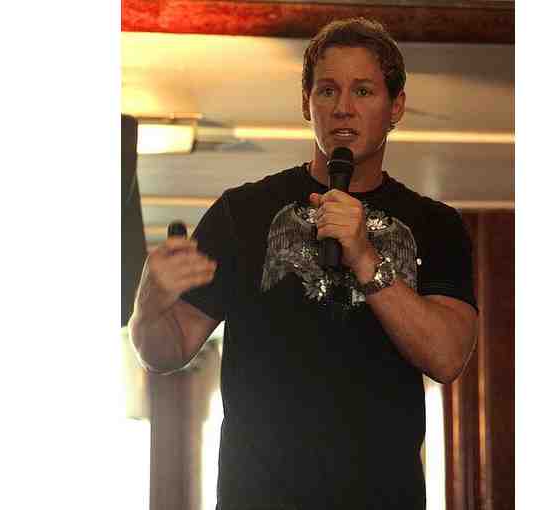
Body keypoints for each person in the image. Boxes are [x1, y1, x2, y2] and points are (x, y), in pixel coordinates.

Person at [129, 18, 477, 510]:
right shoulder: (242, 213)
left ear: (396, 106)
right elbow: (167, 350)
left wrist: (365, 257)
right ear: (305, 103)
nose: (343, 108)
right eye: (327, 90)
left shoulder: (436, 224)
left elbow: (447, 357)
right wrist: (147, 306)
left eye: (363, 91)